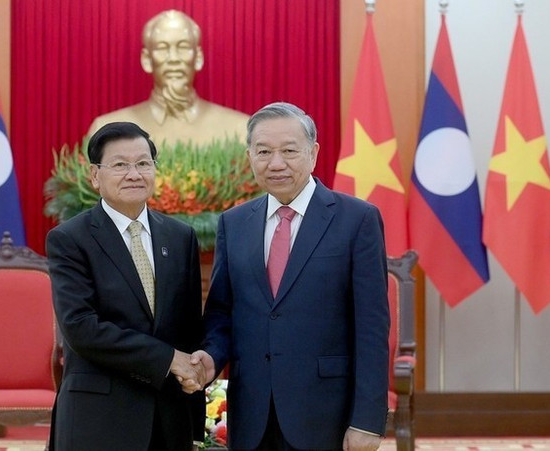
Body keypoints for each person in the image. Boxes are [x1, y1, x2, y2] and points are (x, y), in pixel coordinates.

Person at [192, 102, 390, 450]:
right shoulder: (234, 223)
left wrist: (367, 421)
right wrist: (210, 357)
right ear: (250, 156)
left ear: (313, 153)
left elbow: (372, 328)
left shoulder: (356, 220)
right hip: (252, 415)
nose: (276, 163)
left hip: (326, 414)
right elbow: (222, 313)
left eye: (289, 151)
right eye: (264, 151)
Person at [46, 121, 205, 450]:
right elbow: (80, 328)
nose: (134, 174)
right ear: (95, 176)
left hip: (168, 418)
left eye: (143, 164)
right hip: (98, 417)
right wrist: (166, 359)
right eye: (120, 165)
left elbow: (189, 328)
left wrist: (194, 391)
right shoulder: (70, 239)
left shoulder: (180, 237)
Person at [88, 10, 249, 147]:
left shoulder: (239, 129)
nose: (173, 58)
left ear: (198, 57)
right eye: (162, 48)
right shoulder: (105, 130)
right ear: (146, 59)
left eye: (183, 47)